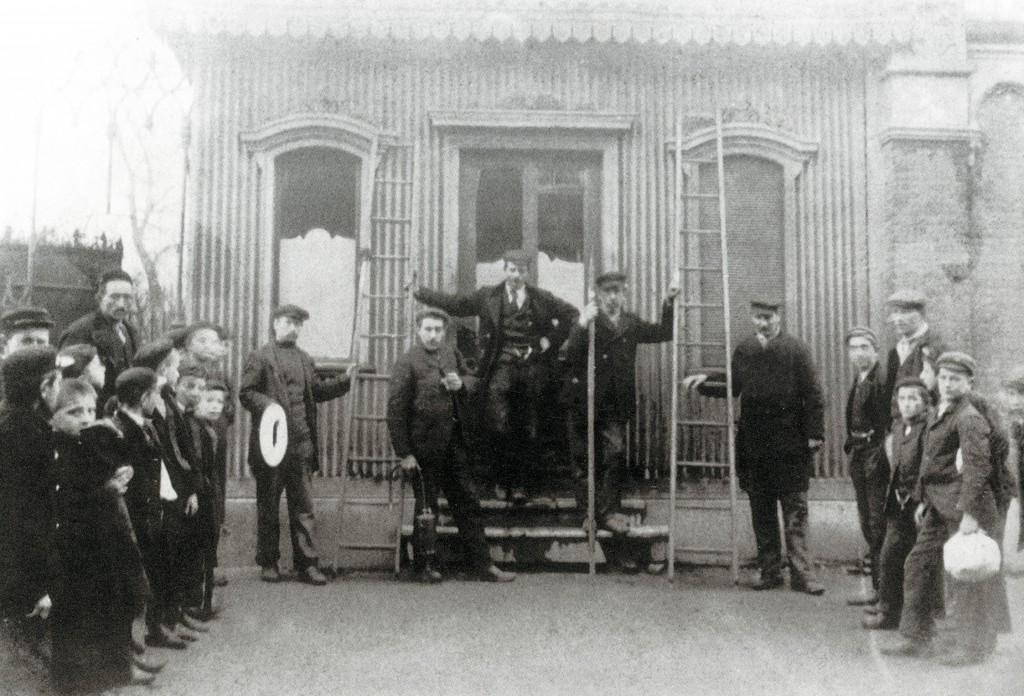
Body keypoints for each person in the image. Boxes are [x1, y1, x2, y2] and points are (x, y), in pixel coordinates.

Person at [414, 249, 578, 502]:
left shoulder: (542, 298)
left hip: (532, 370)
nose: (516, 275)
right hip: (499, 368)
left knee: (529, 427)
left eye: (521, 270)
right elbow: (457, 305)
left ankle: (522, 485)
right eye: (512, 270)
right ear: (505, 270)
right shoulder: (488, 296)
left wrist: (549, 341)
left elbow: (572, 315)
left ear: (528, 272)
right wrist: (420, 293)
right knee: (499, 425)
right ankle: (502, 480)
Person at [687, 298, 826, 595]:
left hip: (790, 444)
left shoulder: (796, 350)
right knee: (761, 510)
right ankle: (770, 571)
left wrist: (815, 434)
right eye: (758, 318)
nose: (763, 324)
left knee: (795, 513)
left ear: (778, 317)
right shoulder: (746, 350)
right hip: (756, 444)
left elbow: (814, 393)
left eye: (768, 318)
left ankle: (804, 575)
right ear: (752, 318)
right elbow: (733, 385)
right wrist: (705, 381)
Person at [883, 352, 1012, 665]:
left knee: (966, 575)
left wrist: (969, 514)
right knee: (918, 564)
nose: (948, 383)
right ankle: (916, 636)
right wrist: (923, 500)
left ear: (969, 382)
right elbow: (932, 462)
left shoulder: (968, 417)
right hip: (940, 505)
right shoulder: (941, 411)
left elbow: (977, 468)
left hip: (968, 508)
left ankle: (972, 646)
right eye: (942, 377)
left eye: (956, 378)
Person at [387, 308, 515, 583]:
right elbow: (395, 412)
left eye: (438, 330)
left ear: (444, 333)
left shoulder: (451, 354)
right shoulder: (407, 362)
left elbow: (474, 379)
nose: (433, 335)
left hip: (455, 445)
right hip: (424, 449)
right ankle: (425, 566)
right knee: (426, 508)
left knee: (468, 502)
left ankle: (483, 565)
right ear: (418, 330)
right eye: (428, 329)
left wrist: (462, 384)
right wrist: (405, 453)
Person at [239, 304, 360, 585]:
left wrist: (344, 382)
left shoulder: (305, 359)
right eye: (288, 322)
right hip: (271, 444)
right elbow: (246, 392)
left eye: (298, 324)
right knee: (268, 505)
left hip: (301, 444)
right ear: (275, 324)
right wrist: (269, 405)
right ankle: (269, 563)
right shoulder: (260, 357)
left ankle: (307, 565)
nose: (294, 328)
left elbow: (316, 391)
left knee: (304, 507)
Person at [48, 378, 154, 691]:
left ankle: (107, 675)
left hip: (100, 543)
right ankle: (80, 684)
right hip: (74, 548)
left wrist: (120, 476)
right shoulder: (57, 450)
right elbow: (67, 501)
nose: (84, 418)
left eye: (90, 410)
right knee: (77, 622)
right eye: (73, 411)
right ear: (52, 415)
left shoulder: (87, 443)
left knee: (105, 609)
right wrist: (106, 490)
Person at [562, 271, 677, 544]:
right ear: (599, 295)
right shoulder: (588, 321)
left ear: (624, 294)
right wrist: (580, 323)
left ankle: (608, 512)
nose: (612, 297)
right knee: (583, 462)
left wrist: (668, 303)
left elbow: (664, 332)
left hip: (615, 404)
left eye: (617, 291)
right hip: (584, 401)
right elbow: (570, 353)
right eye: (607, 292)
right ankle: (587, 514)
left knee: (614, 456)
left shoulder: (631, 323)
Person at [133, 339, 203, 646]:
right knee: (159, 559)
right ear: (161, 370)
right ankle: (158, 624)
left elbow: (183, 446)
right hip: (161, 492)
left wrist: (190, 489)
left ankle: (173, 615)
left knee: (174, 555)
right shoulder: (151, 402)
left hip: (177, 489)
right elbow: (162, 453)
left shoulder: (168, 399)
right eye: (173, 365)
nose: (177, 370)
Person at [0, 347, 61, 664]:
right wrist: (37, 587)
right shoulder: (23, 435)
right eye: (57, 382)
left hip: (20, 571)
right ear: (44, 388)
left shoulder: (22, 423)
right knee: (24, 664)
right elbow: (21, 518)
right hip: (22, 577)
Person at [863, 377, 929, 631]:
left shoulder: (929, 429)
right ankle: (889, 612)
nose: (907, 404)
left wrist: (923, 499)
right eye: (902, 399)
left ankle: (914, 619)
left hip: (920, 506)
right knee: (889, 558)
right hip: (897, 505)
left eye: (913, 398)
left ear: (925, 402)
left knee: (917, 565)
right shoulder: (899, 428)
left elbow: (927, 467)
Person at [842, 327, 891, 605]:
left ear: (875, 350)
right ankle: (879, 589)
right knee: (867, 522)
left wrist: (879, 457)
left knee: (878, 523)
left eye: (864, 347)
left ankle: (885, 592)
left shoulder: (880, 379)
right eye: (853, 348)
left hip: (875, 457)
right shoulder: (860, 378)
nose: (858, 353)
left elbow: (887, 424)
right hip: (860, 454)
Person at [59, 269, 140, 406]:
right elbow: (68, 386)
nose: (121, 304)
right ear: (101, 297)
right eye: (114, 297)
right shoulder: (81, 331)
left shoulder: (130, 332)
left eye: (127, 297)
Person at [190, 377, 229, 618]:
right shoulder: (195, 429)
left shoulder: (214, 429)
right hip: (200, 494)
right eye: (209, 401)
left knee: (209, 542)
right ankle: (197, 601)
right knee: (199, 546)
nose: (215, 406)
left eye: (220, 402)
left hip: (211, 493)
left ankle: (205, 600)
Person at [883, 290, 946, 411]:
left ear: (921, 314)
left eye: (905, 312)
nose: (899, 319)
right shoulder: (895, 350)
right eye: (896, 312)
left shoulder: (934, 346)